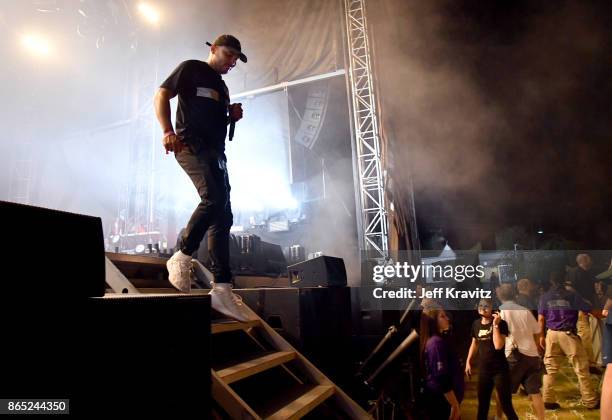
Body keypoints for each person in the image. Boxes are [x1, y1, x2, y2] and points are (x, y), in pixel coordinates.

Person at [154, 34, 254, 322]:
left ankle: (222, 288)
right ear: (213, 49)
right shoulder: (191, 68)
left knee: (224, 216)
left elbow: (212, 120)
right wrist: (167, 131)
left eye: (236, 58)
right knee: (214, 198)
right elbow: (161, 94)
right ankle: (182, 254)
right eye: (228, 55)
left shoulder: (222, 88)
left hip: (216, 154)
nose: (232, 62)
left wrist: (230, 116)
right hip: (188, 145)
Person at [538, 271, 599, 409]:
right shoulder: (572, 295)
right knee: (581, 369)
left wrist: (541, 336)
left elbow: (541, 318)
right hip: (568, 335)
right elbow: (589, 310)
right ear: (565, 280)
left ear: (552, 282)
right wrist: (603, 314)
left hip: (551, 334)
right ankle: (590, 401)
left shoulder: (545, 297)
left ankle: (547, 399)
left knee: (550, 369)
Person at [497, 284, 546, 420]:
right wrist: (536, 349)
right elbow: (537, 332)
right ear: (514, 294)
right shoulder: (525, 311)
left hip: (514, 355)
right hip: (532, 356)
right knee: (535, 392)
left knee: (502, 391)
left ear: (499, 296)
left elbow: (499, 339)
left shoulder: (501, 312)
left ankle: (498, 417)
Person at [465, 298, 518, 420]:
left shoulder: (501, 324)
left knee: (506, 406)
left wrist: (495, 325)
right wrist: (468, 361)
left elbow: (498, 345)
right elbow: (474, 343)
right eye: (480, 305)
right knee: (482, 407)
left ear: (493, 308)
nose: (483, 308)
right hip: (484, 370)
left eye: (486, 306)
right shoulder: (476, 324)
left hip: (500, 370)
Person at [420, 304, 464, 420]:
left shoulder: (439, 340)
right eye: (443, 316)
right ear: (433, 321)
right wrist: (454, 404)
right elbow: (442, 377)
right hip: (443, 401)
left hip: (445, 400)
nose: (447, 318)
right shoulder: (435, 343)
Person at [566, 253, 600, 372]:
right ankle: (588, 364)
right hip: (580, 309)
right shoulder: (575, 272)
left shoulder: (588, 273)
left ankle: (586, 361)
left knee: (586, 335)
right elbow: (569, 288)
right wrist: (583, 300)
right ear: (584, 260)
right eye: (589, 258)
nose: (591, 260)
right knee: (584, 335)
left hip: (588, 308)